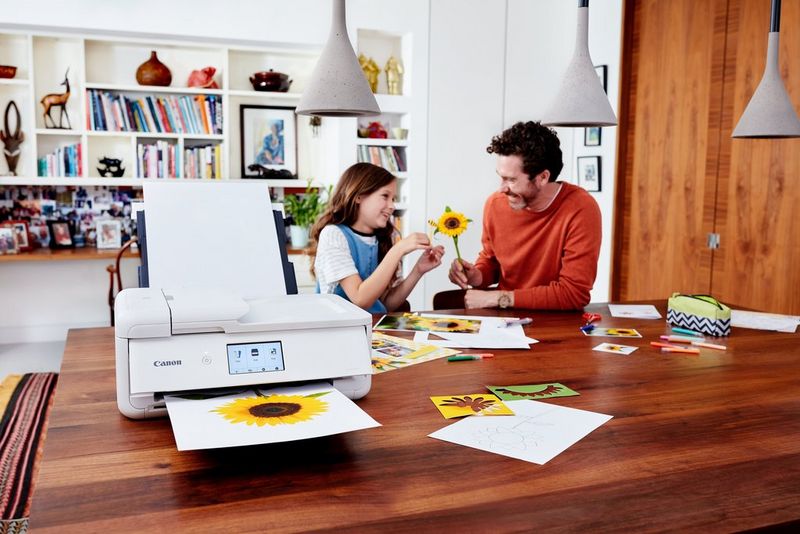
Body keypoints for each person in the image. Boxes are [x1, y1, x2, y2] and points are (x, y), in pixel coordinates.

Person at [448, 121, 602, 310]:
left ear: (543, 178)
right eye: (501, 176)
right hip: (505, 322)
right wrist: (476, 275)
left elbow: (573, 294)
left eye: (511, 179)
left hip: (557, 324)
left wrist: (499, 298)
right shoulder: (495, 204)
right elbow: (491, 261)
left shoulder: (580, 209)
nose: (502, 188)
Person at [309, 162, 444, 313]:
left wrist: (417, 271)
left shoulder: (383, 238)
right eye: (385, 196)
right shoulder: (333, 235)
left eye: (393, 199)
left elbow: (385, 304)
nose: (392, 206)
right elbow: (360, 299)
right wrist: (398, 250)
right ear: (359, 196)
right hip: (341, 332)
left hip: (373, 329)